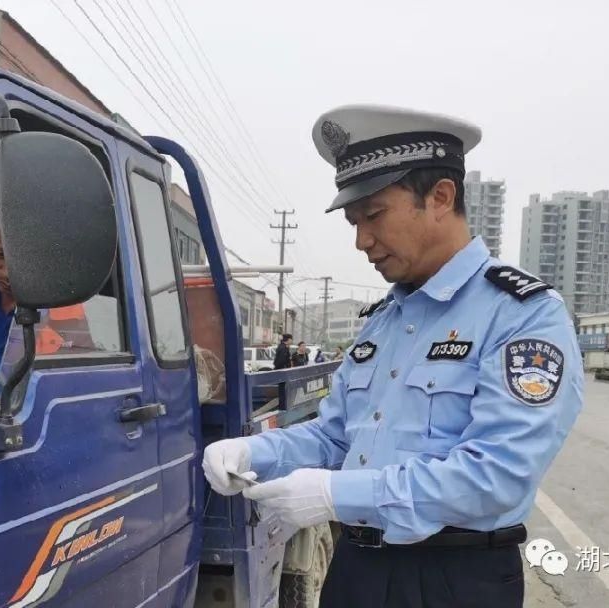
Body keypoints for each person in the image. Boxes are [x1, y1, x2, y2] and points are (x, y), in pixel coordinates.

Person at [202, 105, 584, 608]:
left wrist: (337, 496)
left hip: (454, 579)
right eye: (354, 222)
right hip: (357, 569)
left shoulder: (520, 315)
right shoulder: (384, 321)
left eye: (374, 216)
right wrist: (254, 452)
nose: (362, 241)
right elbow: (334, 434)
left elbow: (497, 474)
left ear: (441, 197)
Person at [0, 196, 92, 409]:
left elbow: (77, 391)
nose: (7, 272)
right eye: (0, 255)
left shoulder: (64, 309)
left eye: (22, 259)